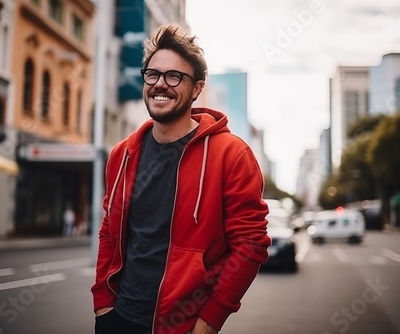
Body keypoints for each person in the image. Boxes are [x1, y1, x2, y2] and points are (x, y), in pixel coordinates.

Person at [91, 23, 271, 334]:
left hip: (183, 325)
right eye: (153, 74)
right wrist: (103, 303)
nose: (160, 84)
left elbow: (250, 244)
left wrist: (208, 322)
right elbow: (110, 230)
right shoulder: (122, 154)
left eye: (174, 76)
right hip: (118, 319)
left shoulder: (231, 155)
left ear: (197, 88)